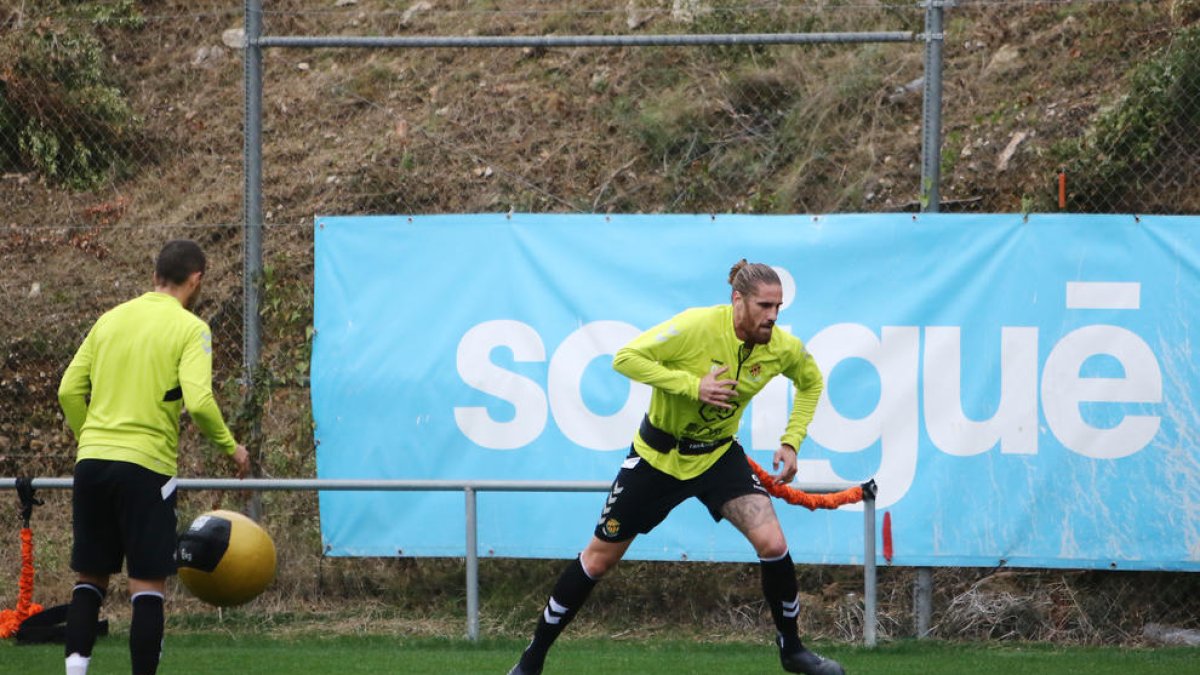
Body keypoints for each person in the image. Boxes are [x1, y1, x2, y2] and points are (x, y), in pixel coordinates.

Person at [509, 260, 845, 675]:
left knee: (773, 544)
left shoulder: (781, 347)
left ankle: (793, 652)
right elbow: (626, 358)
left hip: (718, 455)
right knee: (597, 560)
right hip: (658, 459)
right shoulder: (695, 327)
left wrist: (792, 440)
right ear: (737, 300)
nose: (773, 316)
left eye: (778, 306)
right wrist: (693, 385)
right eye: (764, 305)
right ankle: (531, 659)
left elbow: (810, 381)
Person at [57, 239, 250, 675]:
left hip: (92, 464)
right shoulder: (189, 328)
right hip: (146, 469)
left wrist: (90, 437)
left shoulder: (110, 320)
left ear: (155, 275)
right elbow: (199, 404)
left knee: (89, 580)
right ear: (197, 279)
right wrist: (230, 447)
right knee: (146, 585)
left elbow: (68, 389)